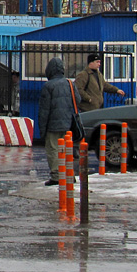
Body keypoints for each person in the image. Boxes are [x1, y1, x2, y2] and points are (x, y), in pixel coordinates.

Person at [37, 57, 78, 186]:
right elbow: (78, 99)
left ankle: (56, 176)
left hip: (52, 125)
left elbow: (44, 110)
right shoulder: (70, 83)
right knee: (66, 149)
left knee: (53, 149)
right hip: (67, 123)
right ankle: (69, 174)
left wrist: (42, 129)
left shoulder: (48, 86)